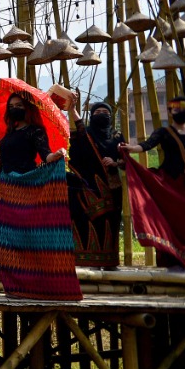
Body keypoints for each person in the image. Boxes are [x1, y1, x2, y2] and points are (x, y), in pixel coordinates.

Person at [0, 89, 80, 300]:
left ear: (27, 108)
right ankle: (14, 285)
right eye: (12, 106)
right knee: (1, 238)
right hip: (8, 188)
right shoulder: (9, 133)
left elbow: (45, 155)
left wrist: (56, 155)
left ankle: (38, 284)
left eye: (19, 106)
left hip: (27, 186)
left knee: (30, 238)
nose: (15, 109)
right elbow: (7, 159)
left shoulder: (36, 131)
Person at [121, 94, 185, 273]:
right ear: (170, 111)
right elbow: (146, 145)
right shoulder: (164, 132)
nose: (180, 111)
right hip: (167, 185)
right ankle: (170, 264)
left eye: (183, 107)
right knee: (167, 223)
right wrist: (131, 148)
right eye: (176, 108)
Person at [67, 100, 125, 269]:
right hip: (89, 185)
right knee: (90, 221)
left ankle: (109, 262)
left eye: (105, 113)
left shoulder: (117, 135)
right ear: (92, 116)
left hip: (112, 187)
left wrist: (115, 162)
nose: (102, 115)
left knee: (112, 222)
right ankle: (90, 261)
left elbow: (125, 159)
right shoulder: (87, 134)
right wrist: (72, 110)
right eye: (97, 112)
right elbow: (79, 129)